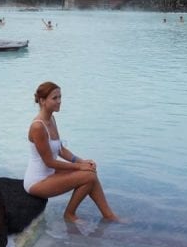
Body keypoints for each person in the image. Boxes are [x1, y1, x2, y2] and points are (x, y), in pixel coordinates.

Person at [23, 82, 119, 223]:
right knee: (88, 176)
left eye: (60, 97)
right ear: (42, 101)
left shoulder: (51, 119)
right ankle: (69, 214)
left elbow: (61, 149)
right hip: (37, 181)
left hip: (50, 173)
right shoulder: (38, 127)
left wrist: (82, 161)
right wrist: (79, 167)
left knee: (90, 171)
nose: (59, 101)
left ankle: (109, 215)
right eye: (55, 98)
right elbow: (49, 162)